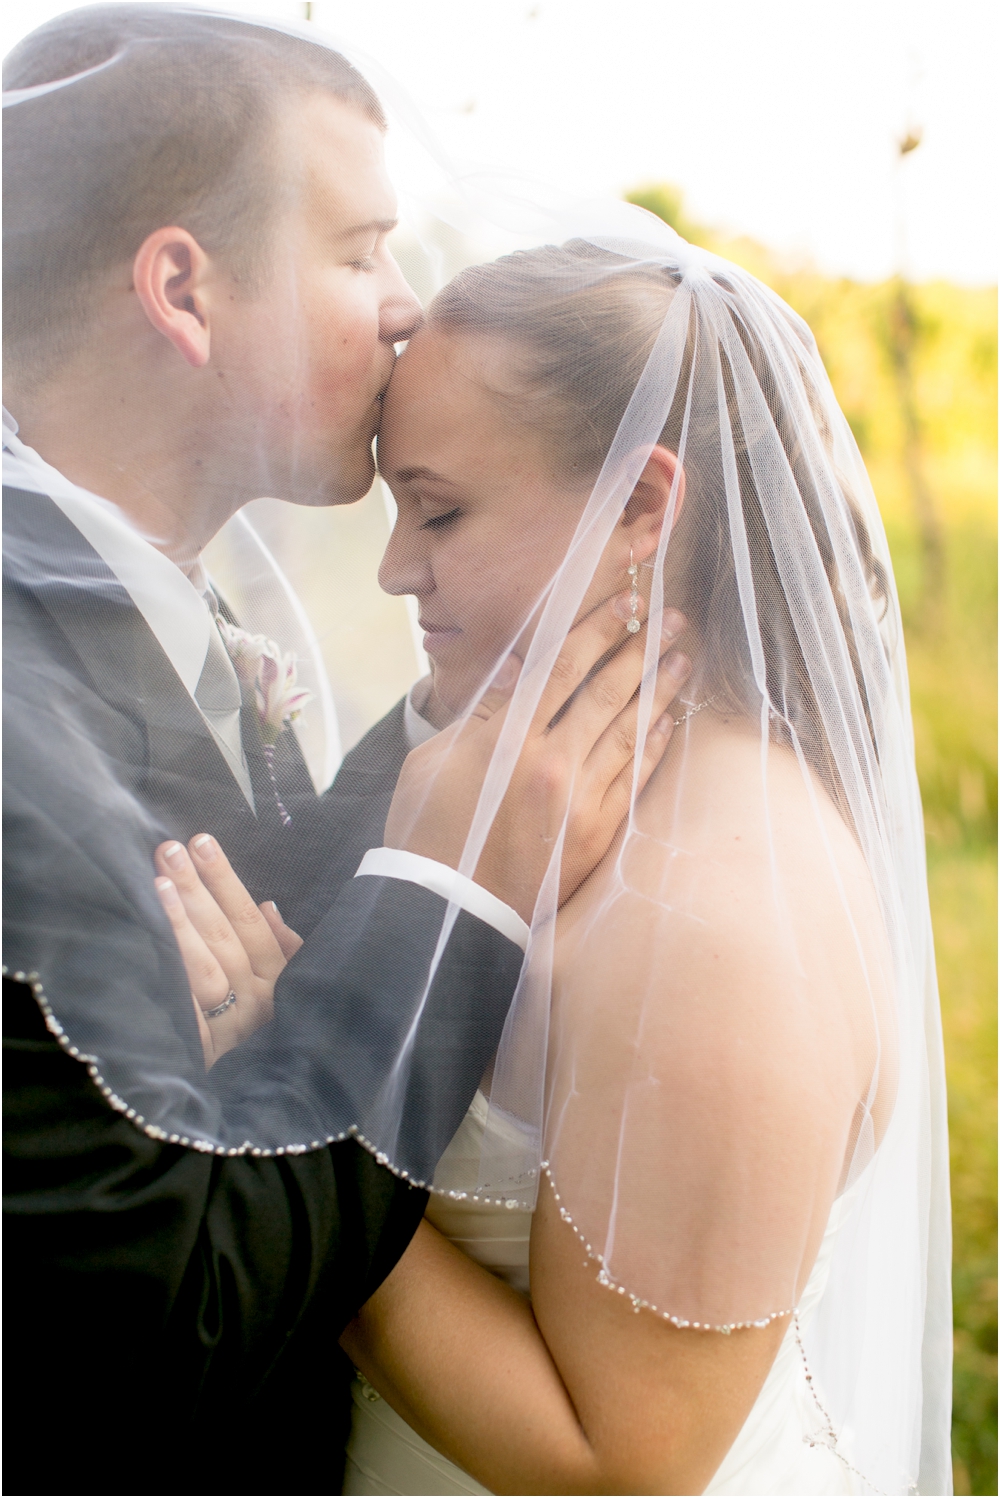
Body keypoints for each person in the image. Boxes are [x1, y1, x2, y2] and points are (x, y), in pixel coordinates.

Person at [2, 13, 687, 1496]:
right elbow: (166, 1315)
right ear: (183, 288)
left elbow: (267, 924)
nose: (404, 307)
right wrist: (451, 889)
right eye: (364, 247)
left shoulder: (105, 601)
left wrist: (488, 708)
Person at [171, 241, 952, 1494]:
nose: (393, 569)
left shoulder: (716, 919)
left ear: (642, 508)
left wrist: (280, 1116)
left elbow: (624, 1460)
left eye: (440, 509)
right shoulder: (534, 785)